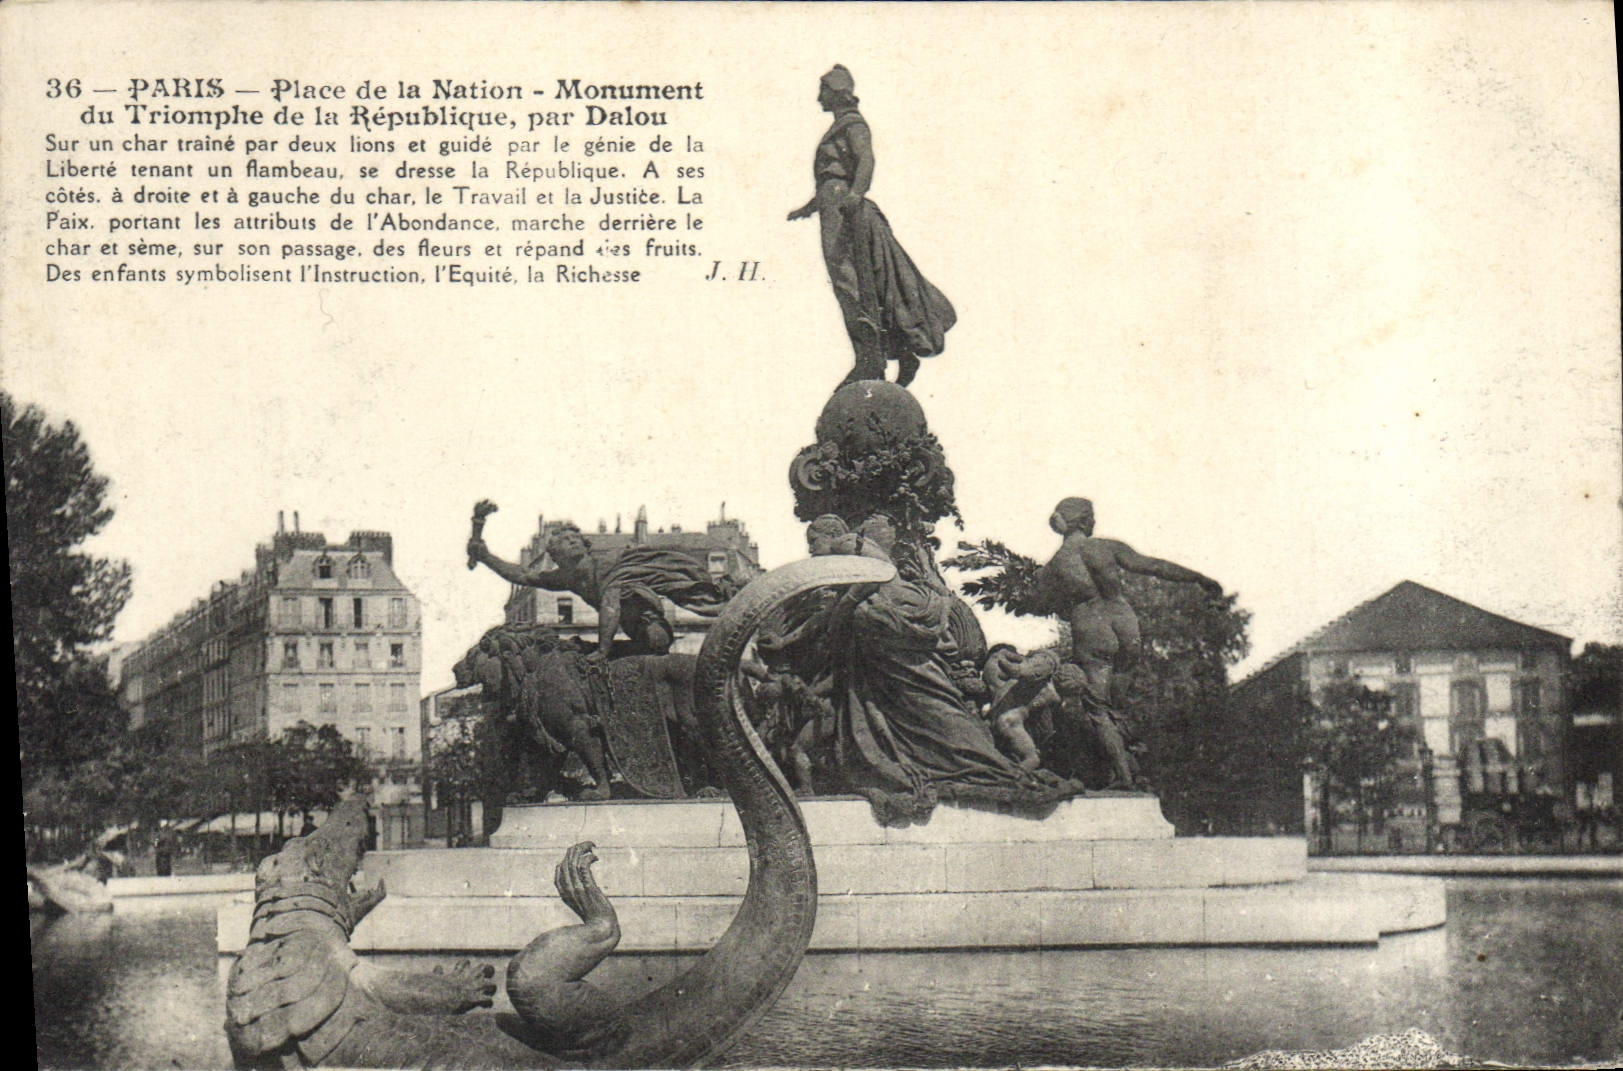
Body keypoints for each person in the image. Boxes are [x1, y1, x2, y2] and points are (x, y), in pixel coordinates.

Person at [788, 65, 956, 388]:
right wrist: (809, 208)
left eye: (823, 91)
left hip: (843, 211)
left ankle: (870, 357)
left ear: (837, 93)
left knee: (851, 284)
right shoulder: (841, 126)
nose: (819, 98)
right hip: (833, 208)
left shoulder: (853, 125)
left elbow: (865, 160)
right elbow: (831, 178)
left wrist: (854, 194)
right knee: (852, 284)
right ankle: (888, 354)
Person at [1033, 497, 1223, 712]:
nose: (1094, 522)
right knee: (1119, 699)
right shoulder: (1106, 547)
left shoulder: (1053, 566)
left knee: (1098, 704)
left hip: (1090, 626)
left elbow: (1043, 606)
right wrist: (1199, 578)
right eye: (1092, 517)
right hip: (1124, 622)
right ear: (1083, 521)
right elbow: (1154, 566)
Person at [468, 524, 738, 661]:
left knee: (651, 643)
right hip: (629, 632)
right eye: (565, 542)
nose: (572, 543)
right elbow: (523, 575)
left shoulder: (604, 564)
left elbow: (611, 604)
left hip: (652, 628)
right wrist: (485, 556)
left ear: (584, 544)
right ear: (557, 556)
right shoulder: (568, 577)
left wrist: (602, 650)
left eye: (575, 539)